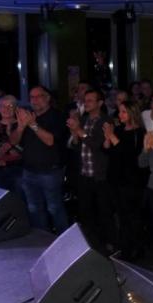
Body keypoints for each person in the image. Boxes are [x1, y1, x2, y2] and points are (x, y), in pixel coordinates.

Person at [11, 86, 69, 233]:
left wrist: (33, 125)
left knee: (54, 208)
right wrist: (20, 127)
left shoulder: (57, 116)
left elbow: (50, 141)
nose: (34, 100)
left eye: (38, 96)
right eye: (32, 97)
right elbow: (13, 142)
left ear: (48, 98)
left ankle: (65, 241)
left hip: (50, 172)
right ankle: (41, 239)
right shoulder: (28, 116)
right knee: (34, 208)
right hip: (29, 170)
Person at [67, 89, 114, 252]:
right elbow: (75, 146)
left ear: (100, 103)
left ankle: (108, 244)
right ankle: (90, 244)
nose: (86, 103)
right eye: (85, 100)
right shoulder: (84, 119)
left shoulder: (106, 121)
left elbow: (97, 145)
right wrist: (74, 133)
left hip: (100, 175)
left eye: (90, 100)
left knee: (104, 211)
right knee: (85, 211)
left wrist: (79, 131)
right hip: (84, 173)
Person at [104, 100, 147, 260]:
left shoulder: (140, 133)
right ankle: (124, 247)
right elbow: (107, 151)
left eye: (123, 112)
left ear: (132, 113)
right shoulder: (120, 129)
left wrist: (112, 136)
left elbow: (131, 156)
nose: (120, 115)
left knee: (132, 216)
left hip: (131, 181)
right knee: (121, 216)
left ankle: (137, 247)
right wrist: (108, 137)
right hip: (116, 178)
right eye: (119, 112)